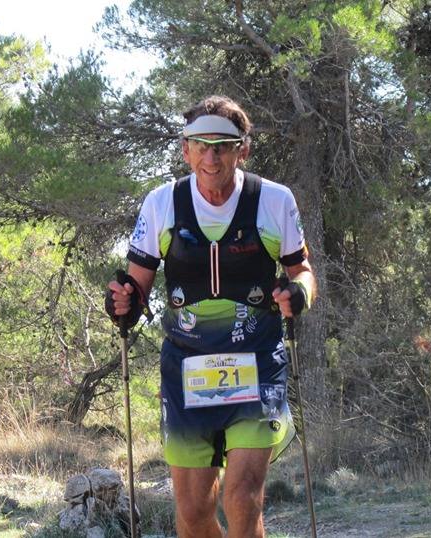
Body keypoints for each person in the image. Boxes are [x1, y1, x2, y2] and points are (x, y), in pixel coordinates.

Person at [106, 95, 316, 538]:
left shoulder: (274, 200)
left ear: (243, 150)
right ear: (185, 151)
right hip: (188, 366)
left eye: (223, 145)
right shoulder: (161, 204)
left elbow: (302, 270)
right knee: (194, 512)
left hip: (256, 361)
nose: (211, 156)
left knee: (241, 498)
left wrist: (300, 293)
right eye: (200, 145)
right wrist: (124, 303)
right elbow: (137, 284)